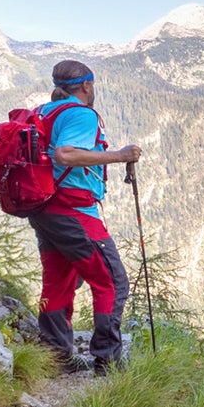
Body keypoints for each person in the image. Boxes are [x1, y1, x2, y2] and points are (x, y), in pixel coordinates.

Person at [27, 60, 142, 373]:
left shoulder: (44, 112)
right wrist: (119, 156)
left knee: (58, 282)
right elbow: (65, 154)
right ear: (88, 86)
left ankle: (55, 357)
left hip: (44, 210)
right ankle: (107, 360)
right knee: (112, 282)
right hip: (74, 211)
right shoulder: (81, 113)